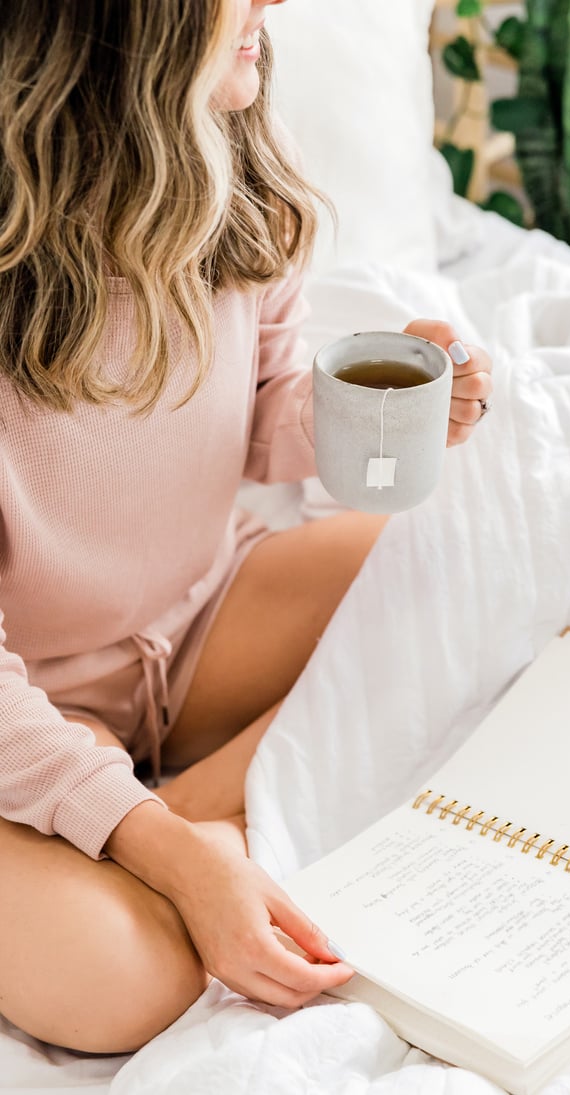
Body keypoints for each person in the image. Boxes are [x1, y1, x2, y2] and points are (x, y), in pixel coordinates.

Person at [0, 0, 493, 1056]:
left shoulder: (238, 189)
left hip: (198, 618)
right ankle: (180, 827)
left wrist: (368, 415)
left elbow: (264, 424)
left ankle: (192, 807)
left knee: (458, 571)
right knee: (125, 984)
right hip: (29, 700)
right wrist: (174, 858)